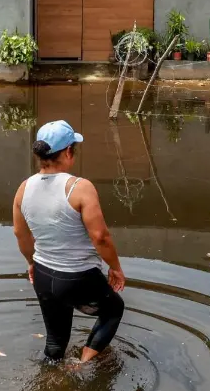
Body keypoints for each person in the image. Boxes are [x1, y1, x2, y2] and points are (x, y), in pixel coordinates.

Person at [12, 120, 125, 363]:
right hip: (77, 277)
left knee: (55, 343)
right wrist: (115, 267)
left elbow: (20, 235)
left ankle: (49, 380)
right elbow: (100, 237)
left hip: (43, 276)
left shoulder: (24, 188)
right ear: (68, 152)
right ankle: (81, 366)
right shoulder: (80, 187)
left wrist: (31, 263)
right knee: (113, 310)